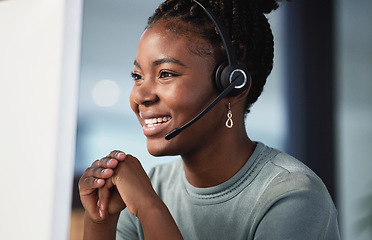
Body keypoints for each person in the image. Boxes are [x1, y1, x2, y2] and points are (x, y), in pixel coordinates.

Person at [78, 0, 340, 239]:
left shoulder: (292, 196)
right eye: (137, 76)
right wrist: (101, 220)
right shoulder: (154, 185)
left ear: (233, 85)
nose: (140, 96)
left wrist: (150, 209)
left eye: (166, 74)